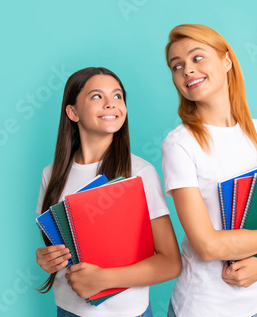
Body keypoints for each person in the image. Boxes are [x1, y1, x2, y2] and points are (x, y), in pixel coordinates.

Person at [162, 24, 257, 317]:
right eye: (177, 66)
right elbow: (207, 245)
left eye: (197, 58)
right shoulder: (180, 143)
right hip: (202, 308)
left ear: (226, 60)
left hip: (255, 306)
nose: (187, 70)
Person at [35, 67, 182, 317]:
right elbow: (56, 248)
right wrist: (46, 259)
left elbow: (170, 262)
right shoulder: (51, 174)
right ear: (72, 112)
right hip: (67, 311)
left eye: (117, 96)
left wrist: (104, 279)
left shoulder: (140, 172)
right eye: (96, 97)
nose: (111, 104)